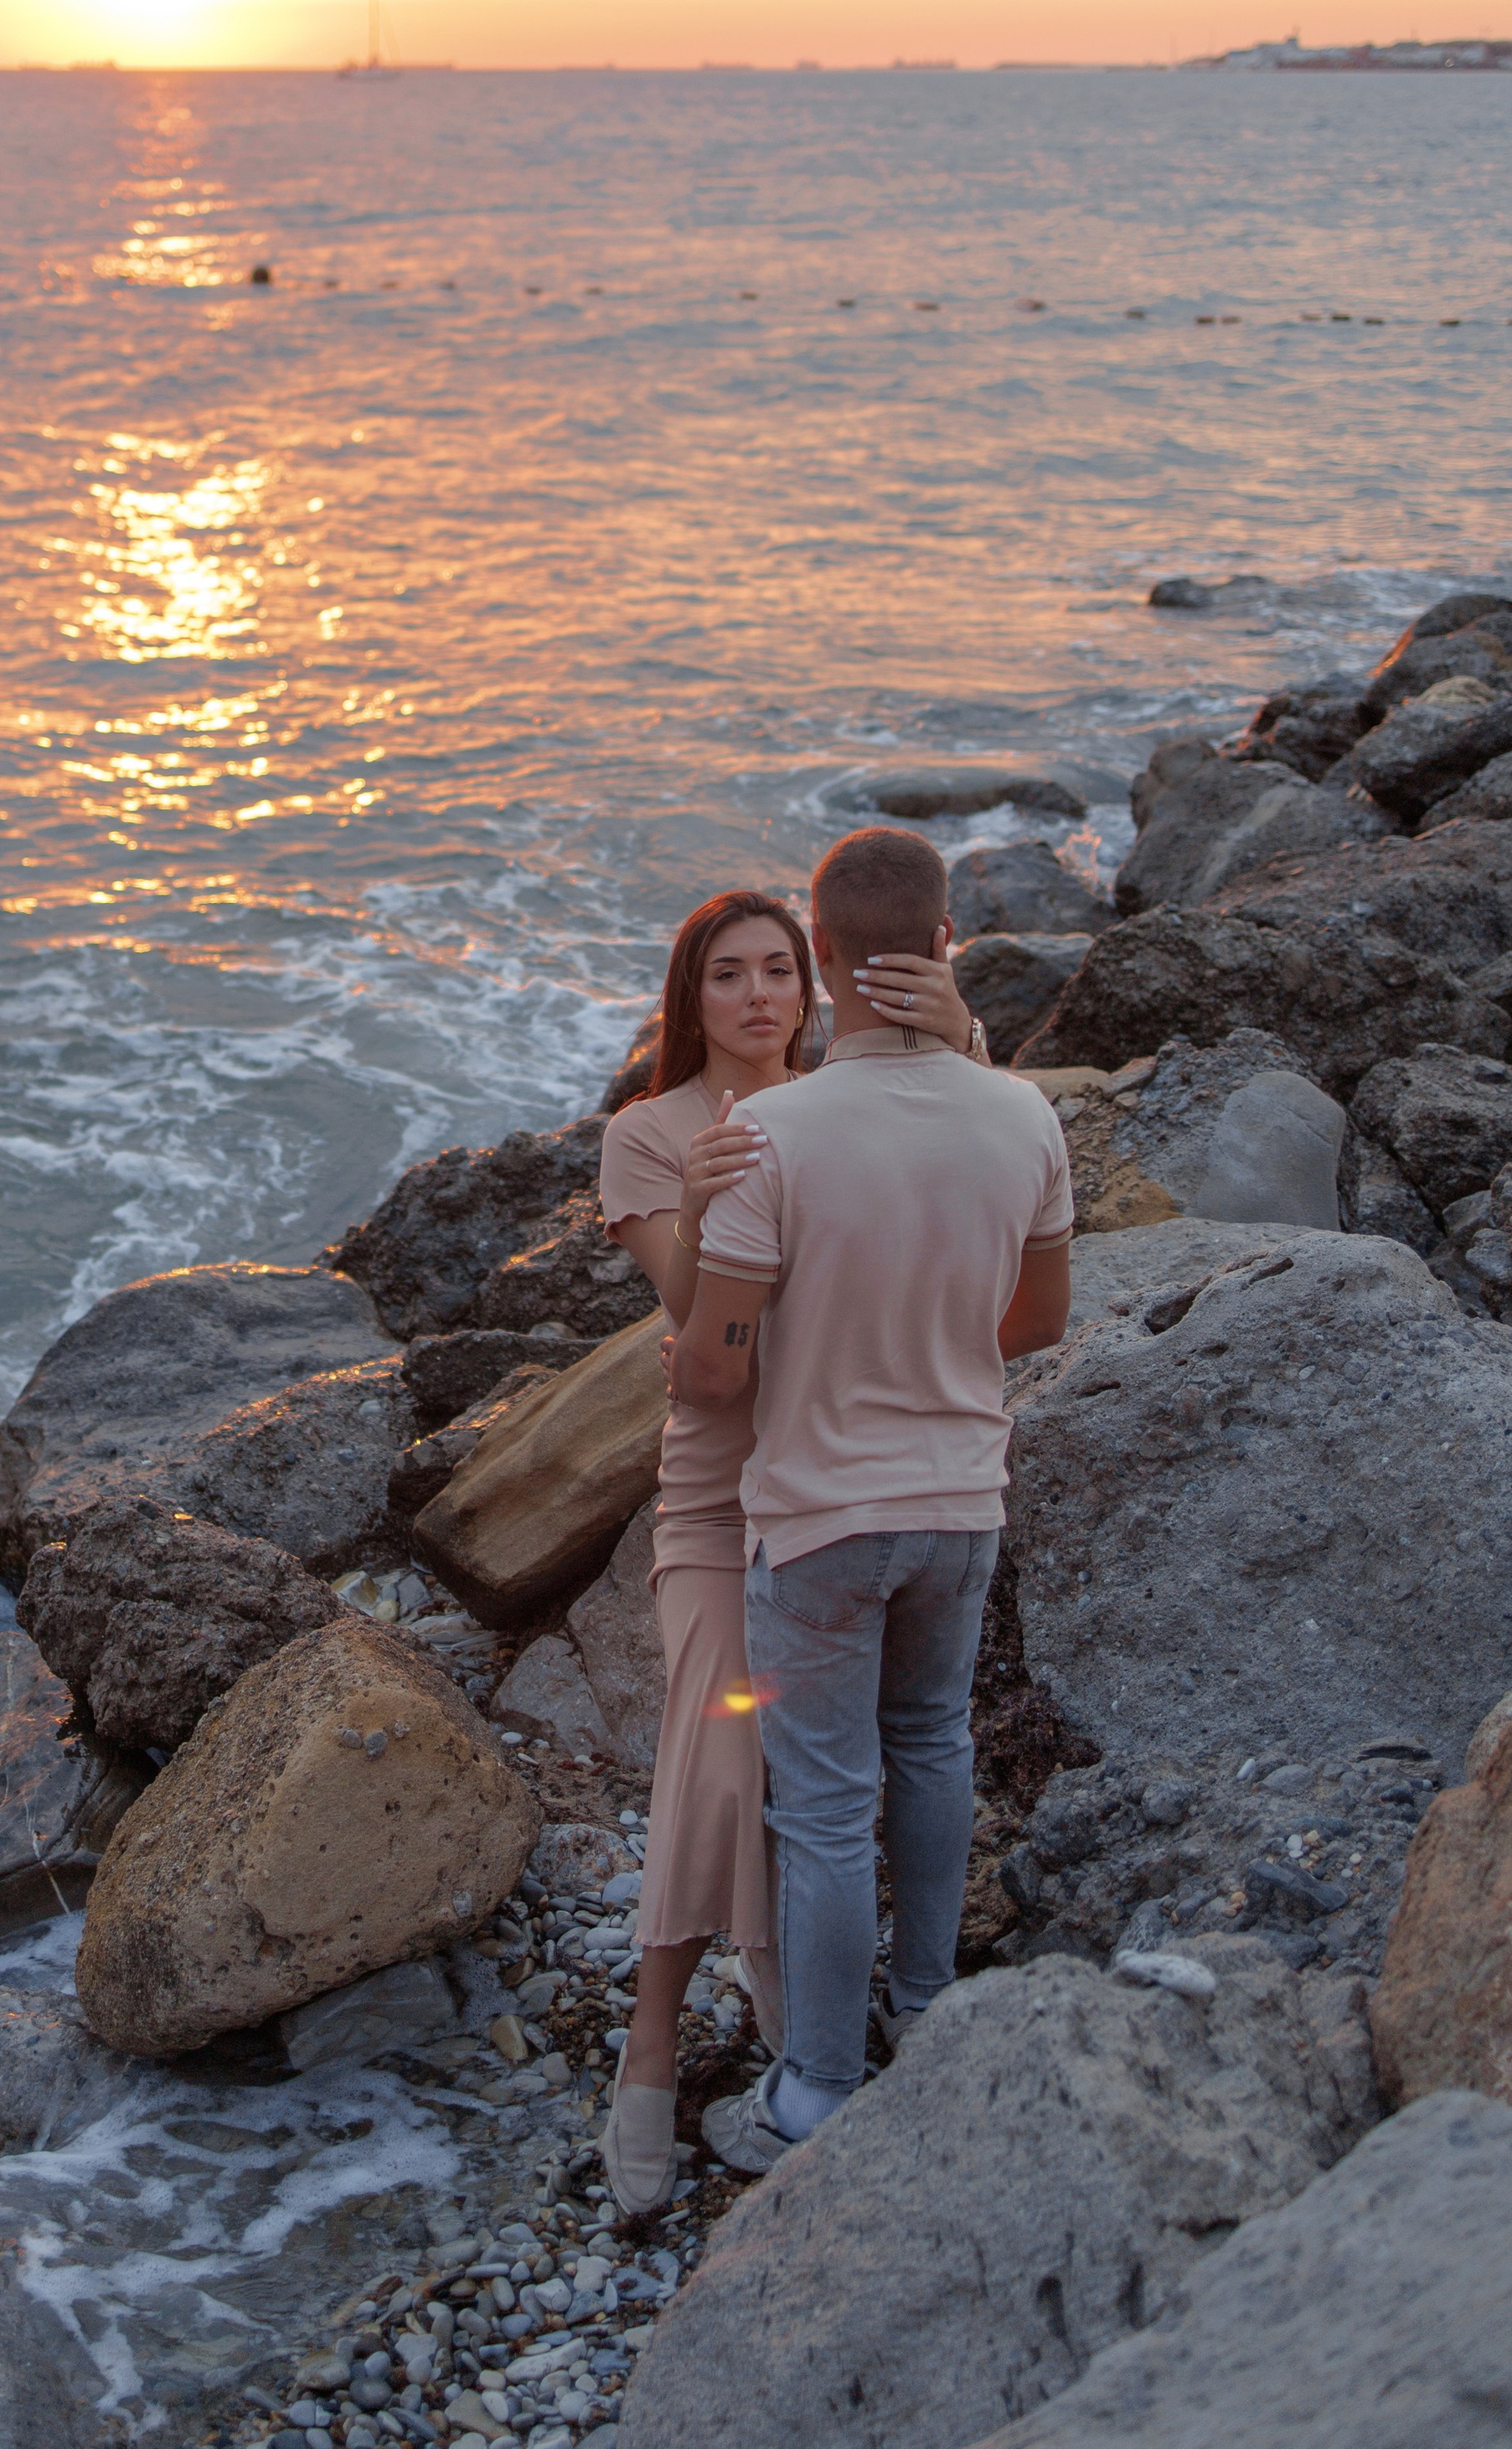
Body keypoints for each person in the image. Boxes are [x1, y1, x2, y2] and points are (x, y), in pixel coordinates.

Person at [666, 825, 1072, 2174]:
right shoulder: (1023, 1113)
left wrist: (753, 1338)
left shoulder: (764, 1134)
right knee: (937, 1746)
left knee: (830, 1805)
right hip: (963, 1502)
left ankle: (818, 2094)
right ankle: (929, 2006)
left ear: (823, 959)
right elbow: (1037, 1323)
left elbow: (717, 1382)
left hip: (821, 1517)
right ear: (947, 946)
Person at [595, 884, 983, 2212]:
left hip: (848, 1477)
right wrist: (705, 1210)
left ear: (812, 988)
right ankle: (654, 2048)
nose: (759, 996)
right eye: (727, 976)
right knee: (720, 1747)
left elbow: (969, 1192)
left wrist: (969, 1039)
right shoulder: (651, 1137)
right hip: (719, 1500)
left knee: (818, 1767)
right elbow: (704, 1342)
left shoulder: (845, 1104)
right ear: (689, 999)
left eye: (778, 970)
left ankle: (791, 2022)